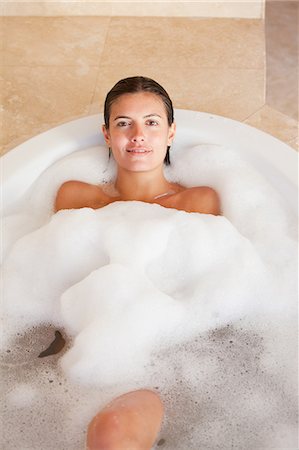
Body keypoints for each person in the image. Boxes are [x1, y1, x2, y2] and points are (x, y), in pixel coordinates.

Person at [55, 76, 220, 449]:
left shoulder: (198, 202)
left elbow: (207, 291)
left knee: (111, 431)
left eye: (151, 122)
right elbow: (55, 281)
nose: (138, 135)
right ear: (106, 134)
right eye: (124, 123)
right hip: (82, 355)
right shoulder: (76, 197)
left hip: (164, 360)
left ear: (171, 132)